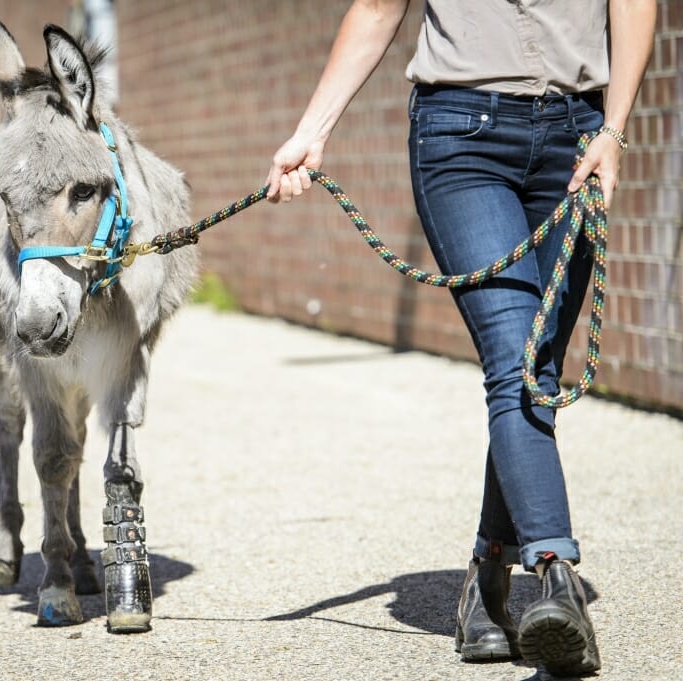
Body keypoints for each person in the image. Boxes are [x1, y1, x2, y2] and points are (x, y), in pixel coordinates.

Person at [266, 0, 656, 676]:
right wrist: (312, 131)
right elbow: (381, 5)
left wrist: (615, 129)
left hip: (578, 136)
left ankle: (488, 575)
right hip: (462, 139)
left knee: (535, 372)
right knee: (517, 358)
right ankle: (556, 578)